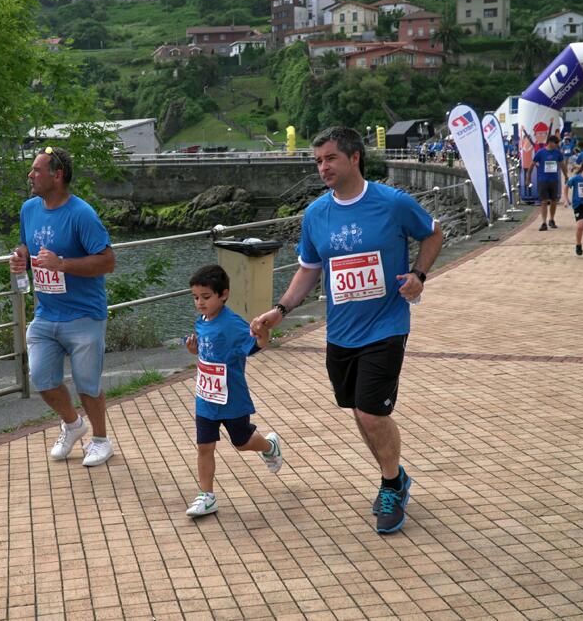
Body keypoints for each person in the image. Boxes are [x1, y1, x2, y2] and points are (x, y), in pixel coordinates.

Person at [250, 126, 443, 534]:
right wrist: (281, 309)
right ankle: (395, 474)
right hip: (340, 332)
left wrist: (419, 274)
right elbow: (309, 270)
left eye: (330, 158)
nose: (323, 167)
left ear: (355, 157)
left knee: (371, 412)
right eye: (318, 160)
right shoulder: (317, 214)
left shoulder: (392, 203)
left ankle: (391, 484)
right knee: (358, 410)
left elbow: (433, 233)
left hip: (386, 324)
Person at [9, 146, 117, 466]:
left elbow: (108, 262)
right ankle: (72, 425)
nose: (30, 175)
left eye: (37, 170)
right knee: (41, 378)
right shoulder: (29, 208)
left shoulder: (81, 214)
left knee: (87, 384)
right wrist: (20, 258)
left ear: (57, 176)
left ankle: (100, 440)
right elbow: (27, 245)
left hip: (84, 314)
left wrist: (62, 264)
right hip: (46, 313)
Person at [183, 264, 283, 518]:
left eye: (206, 297)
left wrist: (263, 335)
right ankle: (206, 496)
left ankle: (269, 446)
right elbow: (209, 351)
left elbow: (257, 344)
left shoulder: (232, 324)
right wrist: (195, 351)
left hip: (232, 398)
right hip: (206, 398)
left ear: (223, 294)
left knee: (242, 442)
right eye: (196, 298)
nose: (200, 303)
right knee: (204, 446)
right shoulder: (202, 321)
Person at [532, 135, 567, 230]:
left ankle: (551, 219)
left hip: (554, 180)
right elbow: (533, 163)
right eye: (556, 143)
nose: (557, 145)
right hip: (543, 180)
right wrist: (528, 178)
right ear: (550, 142)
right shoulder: (540, 152)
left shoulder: (558, 153)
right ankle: (543, 222)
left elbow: (562, 165)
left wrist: (566, 176)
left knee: (554, 201)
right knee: (543, 202)